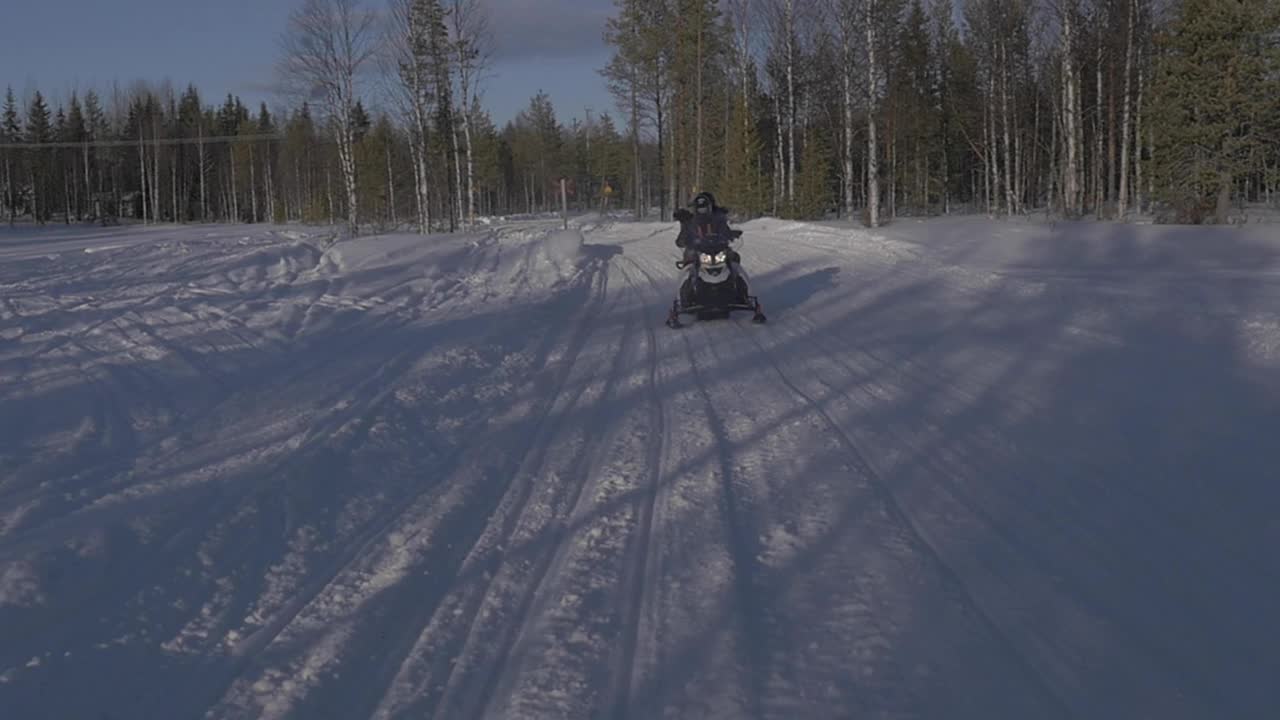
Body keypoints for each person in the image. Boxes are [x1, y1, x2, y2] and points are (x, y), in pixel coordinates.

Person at [673, 191, 742, 306]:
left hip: (716, 248)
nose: (702, 211)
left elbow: (724, 230)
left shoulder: (718, 218)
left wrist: (731, 234)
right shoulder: (691, 221)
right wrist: (684, 238)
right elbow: (683, 237)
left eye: (704, 208)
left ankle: (740, 291)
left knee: (733, 259)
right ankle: (685, 295)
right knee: (689, 263)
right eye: (700, 208)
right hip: (698, 249)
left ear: (710, 207)